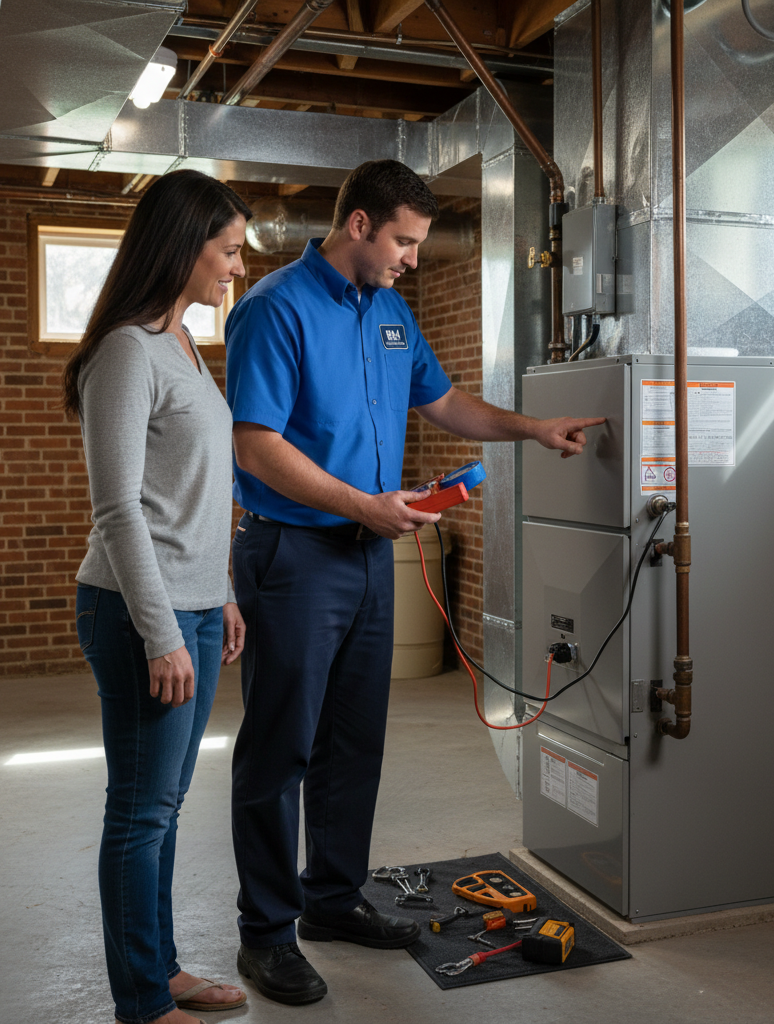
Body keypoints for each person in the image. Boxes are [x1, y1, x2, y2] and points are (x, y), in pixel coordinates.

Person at [225, 158, 604, 1006]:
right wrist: (362, 502)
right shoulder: (273, 308)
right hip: (293, 556)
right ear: (358, 224)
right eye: (403, 240)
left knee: (354, 742)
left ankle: (330, 899)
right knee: (280, 748)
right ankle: (265, 933)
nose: (411, 258)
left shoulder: (391, 315)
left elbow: (444, 404)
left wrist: (532, 429)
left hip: (366, 554)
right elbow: (255, 445)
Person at [64, 170, 253, 1024]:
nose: (235, 269)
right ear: (183, 245)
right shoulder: (124, 354)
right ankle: (142, 1002)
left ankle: (161, 967)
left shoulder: (182, 345)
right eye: (227, 250)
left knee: (166, 808)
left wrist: (221, 598)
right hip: (143, 613)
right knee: (140, 814)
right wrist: (162, 632)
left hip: (198, 607)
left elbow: (197, 496)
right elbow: (119, 509)